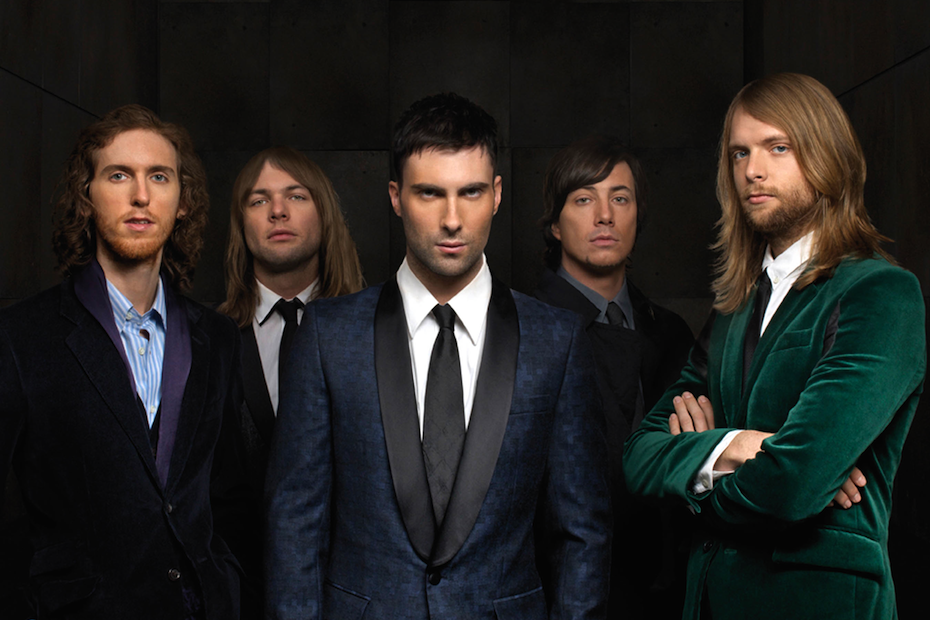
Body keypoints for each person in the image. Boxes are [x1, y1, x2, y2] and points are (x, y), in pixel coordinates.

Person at [265, 92, 611, 619]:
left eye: (471, 192)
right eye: (430, 193)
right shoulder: (327, 335)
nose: (452, 219)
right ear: (396, 196)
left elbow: (581, 533)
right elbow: (295, 526)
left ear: (496, 194)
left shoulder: (556, 341)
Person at [623, 73, 926, 620]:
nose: (752, 171)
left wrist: (696, 467)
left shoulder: (881, 294)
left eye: (777, 147)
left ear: (826, 157)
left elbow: (793, 485)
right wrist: (739, 445)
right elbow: (639, 456)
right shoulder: (734, 309)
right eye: (739, 153)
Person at [0, 105, 242, 618]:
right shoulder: (21, 337)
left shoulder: (218, 338)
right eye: (118, 175)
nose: (141, 195)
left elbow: (226, 496)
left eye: (160, 176)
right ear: (85, 196)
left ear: (182, 202)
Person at [535, 136, 693, 619]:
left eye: (620, 199)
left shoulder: (671, 332)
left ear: (637, 216)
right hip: (562, 594)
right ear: (555, 224)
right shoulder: (523, 330)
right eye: (584, 199)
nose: (605, 215)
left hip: (669, 595)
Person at [217, 146, 363, 610]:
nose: (277, 211)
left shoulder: (374, 332)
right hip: (239, 596)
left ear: (325, 214)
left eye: (296, 196)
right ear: (241, 223)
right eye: (258, 200)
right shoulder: (209, 340)